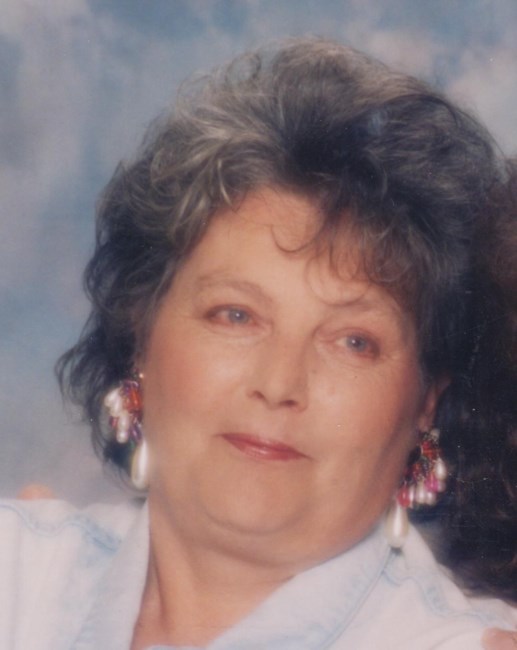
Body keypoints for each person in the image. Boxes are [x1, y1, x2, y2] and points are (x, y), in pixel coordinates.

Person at [1, 38, 516, 649]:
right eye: (236, 315)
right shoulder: (21, 575)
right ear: (141, 336)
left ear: (426, 403)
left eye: (353, 341)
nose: (279, 383)